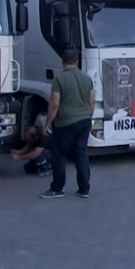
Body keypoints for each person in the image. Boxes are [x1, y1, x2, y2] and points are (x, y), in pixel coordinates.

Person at [42, 49, 95, 199]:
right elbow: (91, 101)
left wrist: (48, 123)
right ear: (77, 61)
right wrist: (88, 116)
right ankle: (84, 189)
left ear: (63, 61)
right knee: (81, 154)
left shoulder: (60, 80)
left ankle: (57, 188)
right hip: (84, 120)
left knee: (58, 154)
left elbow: (54, 104)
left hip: (65, 122)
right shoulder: (87, 79)